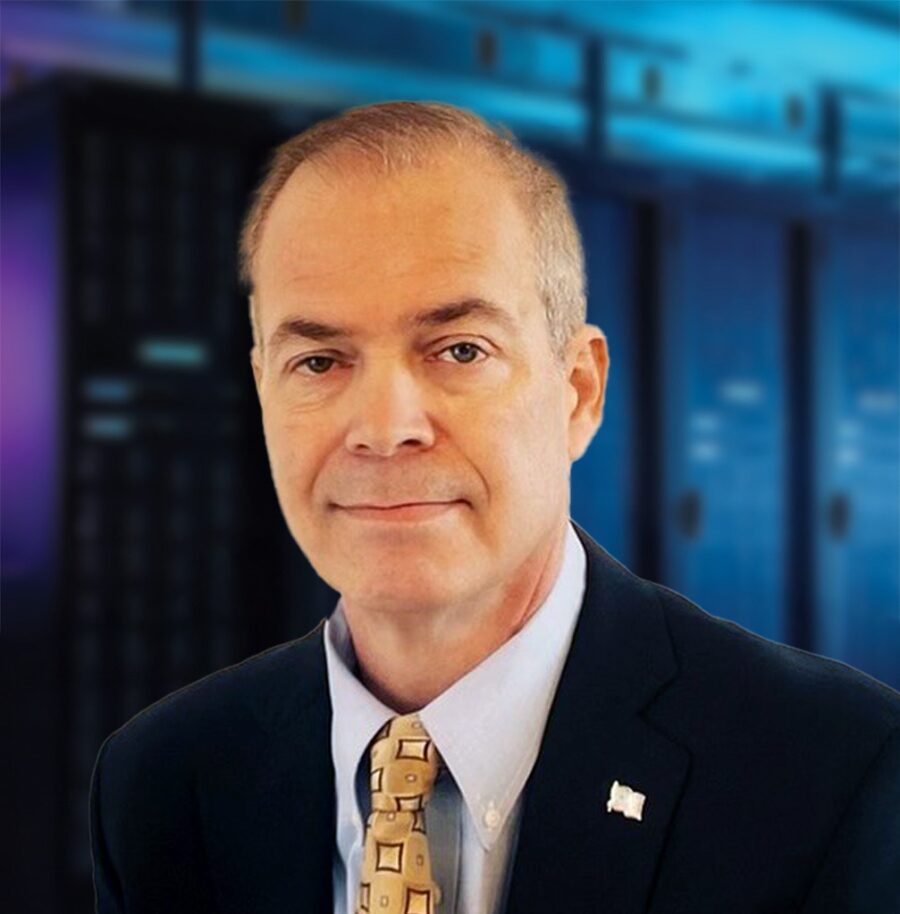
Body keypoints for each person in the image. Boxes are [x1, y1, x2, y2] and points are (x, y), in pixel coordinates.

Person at [90, 101, 900, 914]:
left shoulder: (832, 774)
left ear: (578, 392)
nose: (383, 428)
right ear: (263, 390)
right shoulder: (162, 786)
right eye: (320, 360)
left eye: (459, 350)